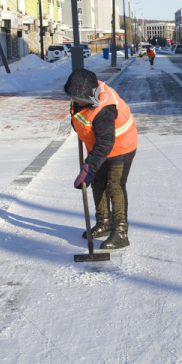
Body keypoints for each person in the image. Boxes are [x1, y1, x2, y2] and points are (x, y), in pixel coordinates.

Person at [65, 68, 138, 250]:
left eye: (79, 99)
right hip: (98, 149)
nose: (75, 101)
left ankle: (120, 232)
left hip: (121, 147)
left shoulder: (104, 108)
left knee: (114, 185)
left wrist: (89, 167)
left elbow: (106, 141)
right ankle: (104, 222)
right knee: (98, 183)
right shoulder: (81, 98)